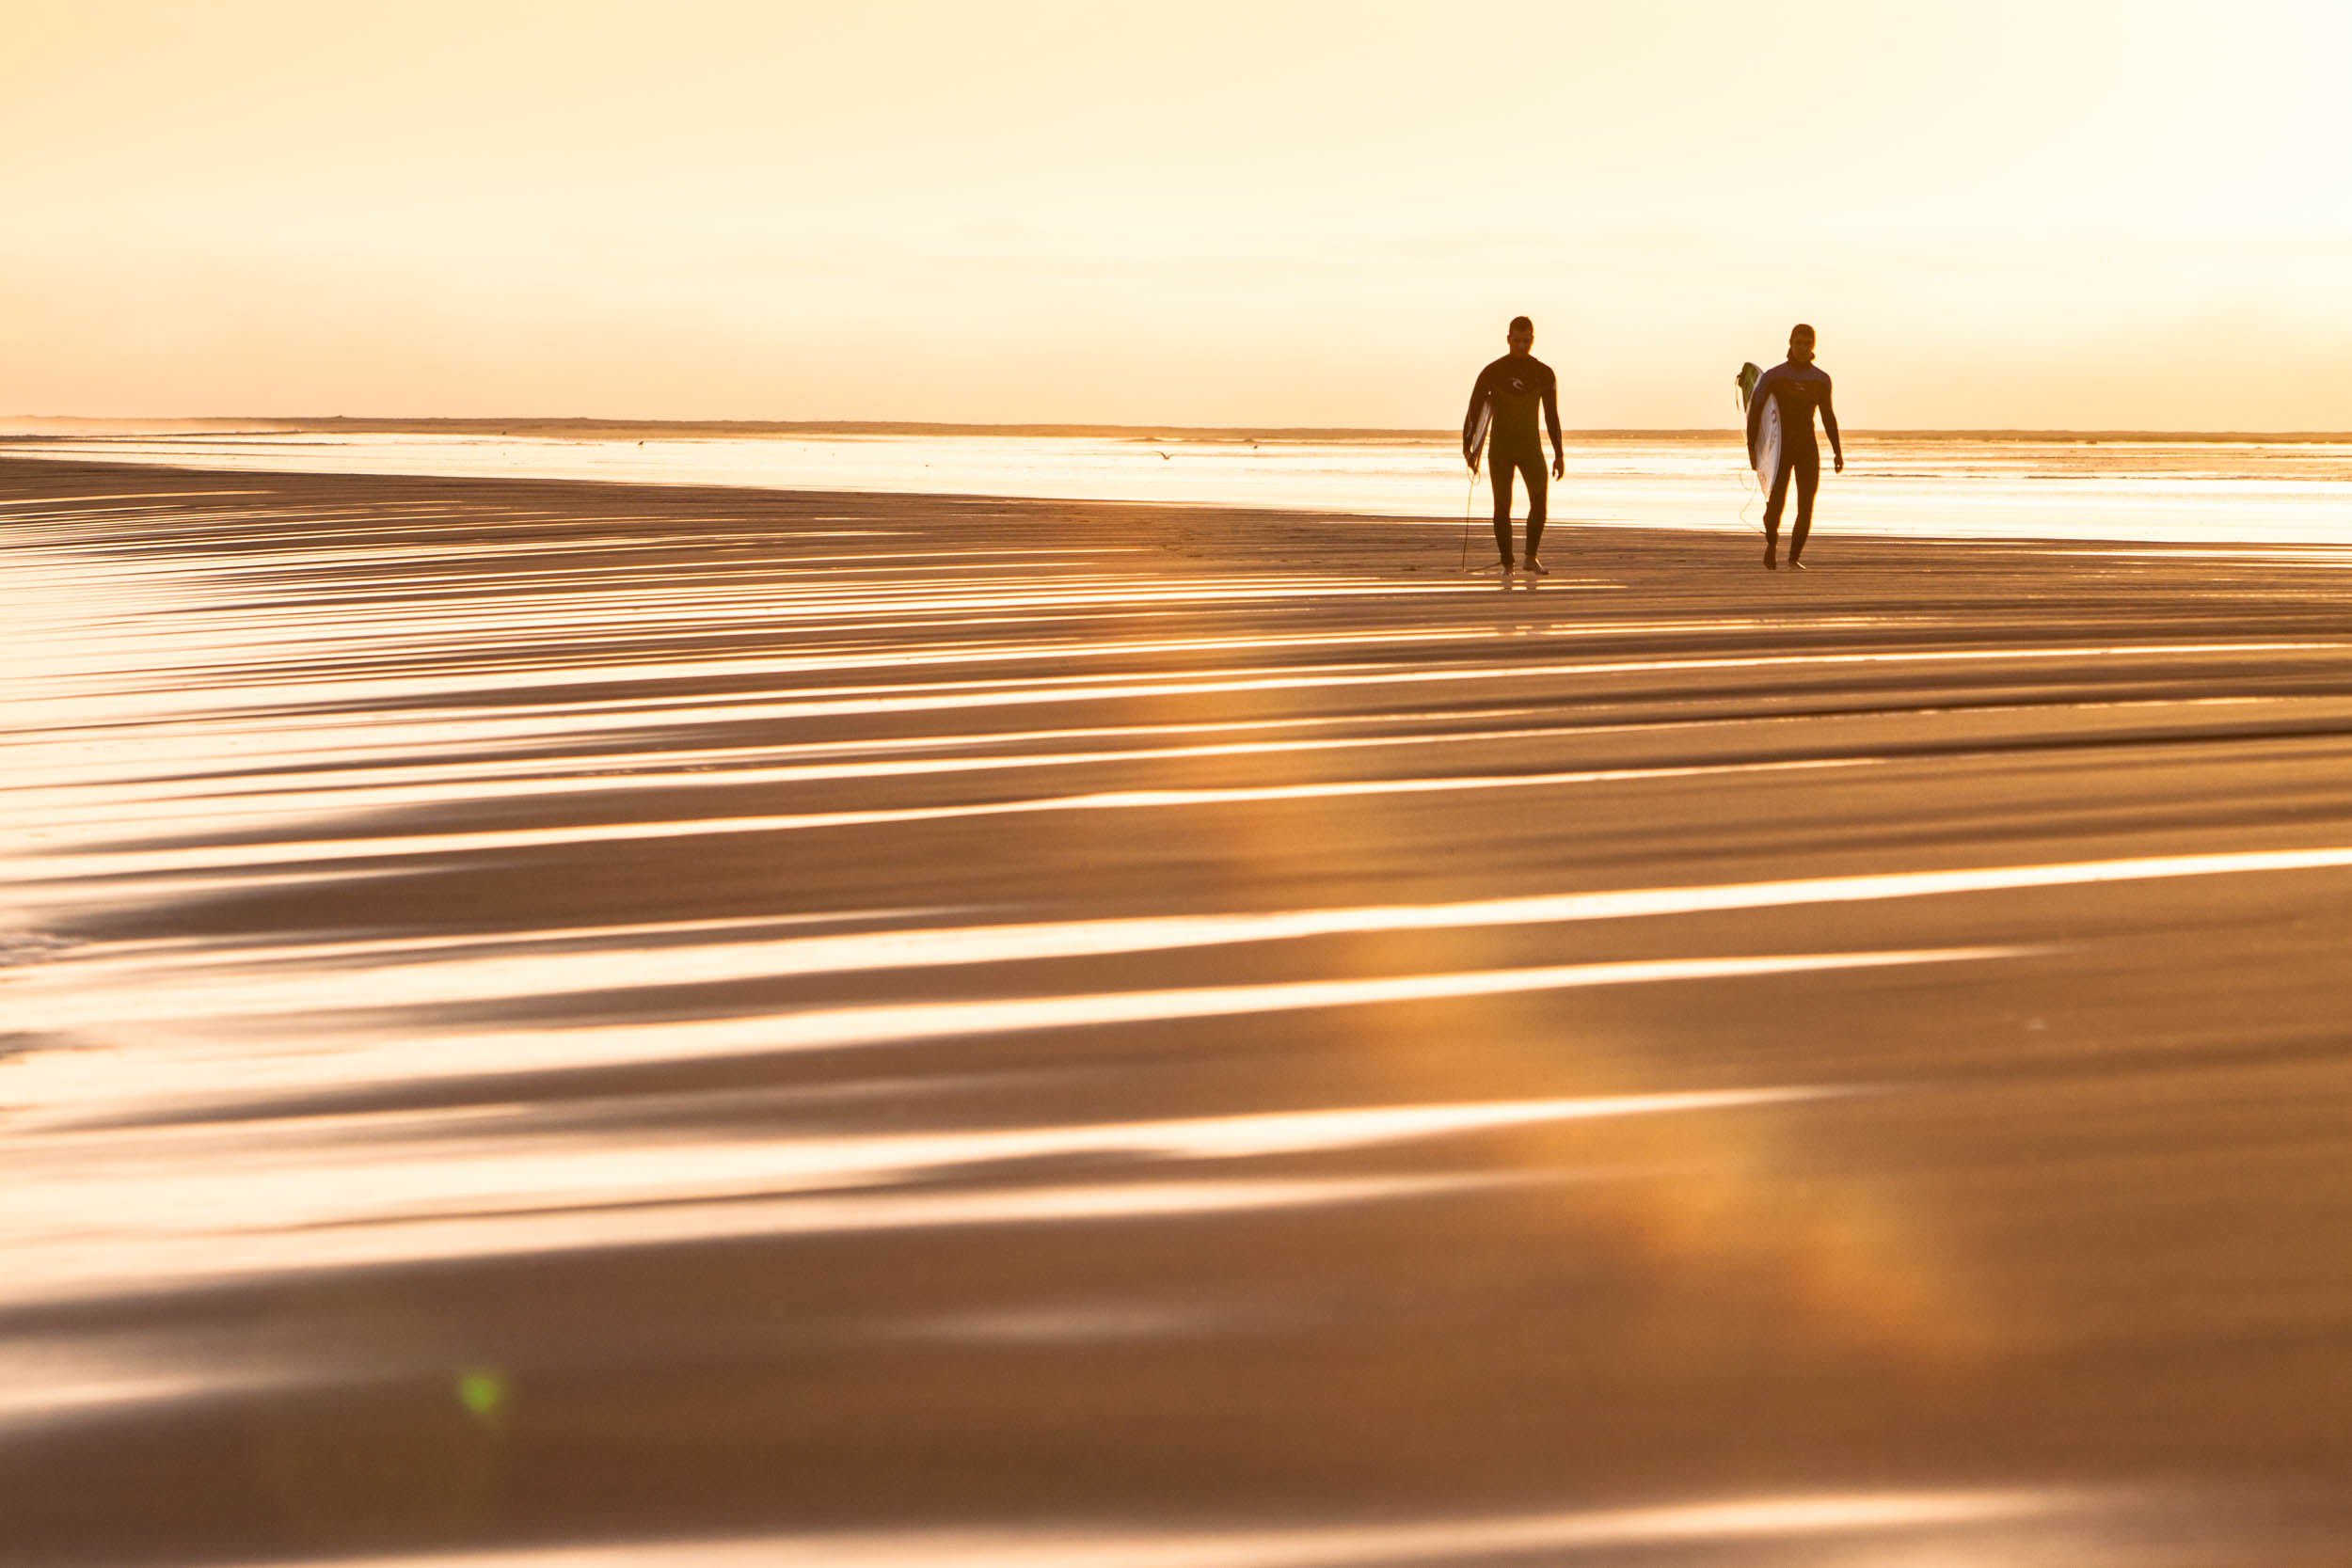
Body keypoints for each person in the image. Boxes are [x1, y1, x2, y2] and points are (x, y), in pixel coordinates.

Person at [1463, 316, 1565, 575]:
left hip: (1531, 448)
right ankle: (1507, 563)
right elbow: (1474, 410)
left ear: (1532, 340)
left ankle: (1530, 557)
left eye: (1526, 341)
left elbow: (1552, 416)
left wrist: (1559, 453)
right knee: (1501, 507)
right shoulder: (1492, 372)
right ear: (1508, 339)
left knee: (1540, 504)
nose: (1521, 346)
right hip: (1501, 450)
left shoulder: (1543, 373)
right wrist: (1469, 448)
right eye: (1517, 341)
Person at [1744, 323, 1843, 570]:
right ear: (1790, 343)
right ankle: (1772, 542)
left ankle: (1794, 557)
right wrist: (1752, 449)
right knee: (1776, 502)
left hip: (1807, 448)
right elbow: (1756, 412)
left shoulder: (1821, 379)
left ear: (1813, 346)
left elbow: (1828, 417)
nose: (1801, 348)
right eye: (1798, 343)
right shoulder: (1774, 377)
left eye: (1807, 343)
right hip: (1780, 449)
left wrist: (1837, 451)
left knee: (1806, 503)